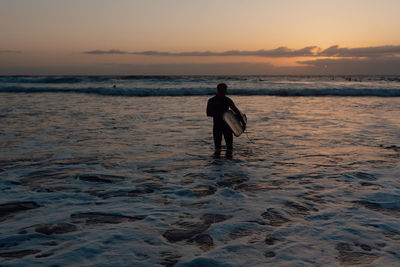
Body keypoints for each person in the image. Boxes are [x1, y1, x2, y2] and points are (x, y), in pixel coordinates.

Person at [206, 83, 245, 155]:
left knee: (229, 148)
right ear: (218, 90)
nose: (225, 92)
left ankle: (228, 165)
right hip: (217, 126)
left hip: (227, 126)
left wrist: (242, 123)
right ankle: (217, 164)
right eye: (223, 90)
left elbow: (236, 111)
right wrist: (219, 113)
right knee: (217, 148)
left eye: (225, 90)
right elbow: (208, 113)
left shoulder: (228, 100)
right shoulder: (212, 100)